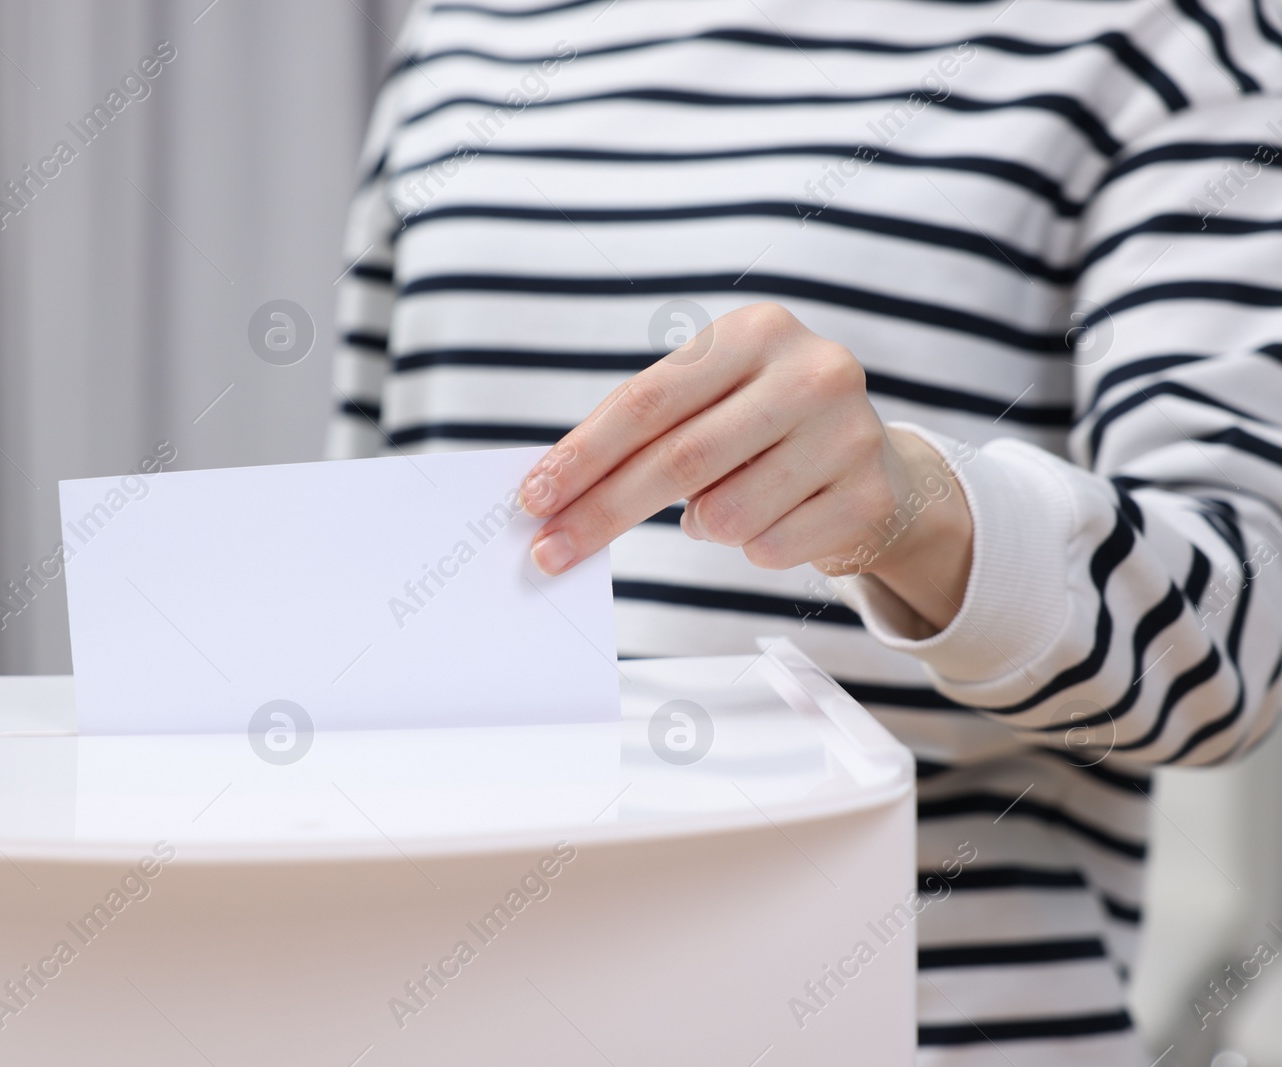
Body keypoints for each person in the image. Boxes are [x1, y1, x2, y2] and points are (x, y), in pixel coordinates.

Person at [328, 1, 1282, 1062]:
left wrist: (915, 512)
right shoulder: (469, 29)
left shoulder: (1164, 36)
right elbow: (365, 576)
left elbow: (1239, 643)